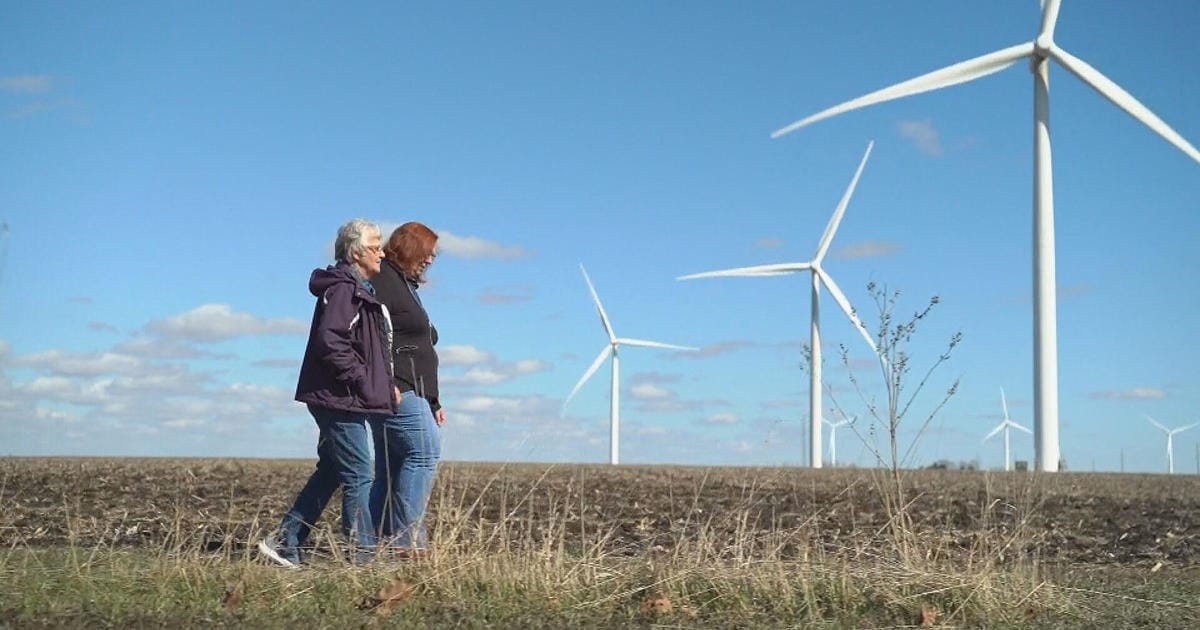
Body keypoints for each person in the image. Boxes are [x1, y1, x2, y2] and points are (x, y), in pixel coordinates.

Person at [258, 219, 394, 567]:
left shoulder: (356, 289)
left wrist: (379, 384)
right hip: (338, 397)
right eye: (376, 245)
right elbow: (331, 341)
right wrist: (362, 381)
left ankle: (286, 541)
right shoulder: (345, 290)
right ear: (356, 251)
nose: (382, 252)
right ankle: (363, 561)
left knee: (333, 470)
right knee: (361, 473)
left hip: (340, 395)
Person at [369, 221, 445, 555]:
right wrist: (387, 381)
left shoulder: (404, 284)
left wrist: (433, 400)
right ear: (410, 247)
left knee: (393, 467)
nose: (430, 260)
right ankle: (407, 543)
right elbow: (374, 335)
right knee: (424, 453)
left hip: (414, 390)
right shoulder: (383, 278)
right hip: (398, 388)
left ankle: (370, 544)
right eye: (427, 252)